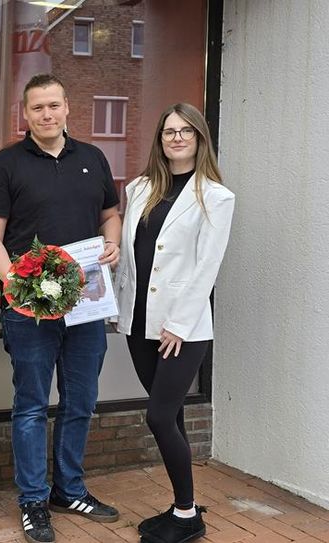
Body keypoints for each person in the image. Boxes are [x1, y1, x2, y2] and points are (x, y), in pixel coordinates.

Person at [0, 73, 121, 543]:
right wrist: (15, 285)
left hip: (85, 304)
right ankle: (34, 501)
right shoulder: (5, 165)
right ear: (25, 113)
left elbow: (109, 214)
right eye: (37, 107)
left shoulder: (93, 158)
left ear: (66, 107)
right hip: (30, 309)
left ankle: (70, 488)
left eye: (53, 105)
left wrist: (114, 243)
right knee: (32, 406)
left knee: (80, 401)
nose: (46, 114)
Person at [115, 103, 234, 543]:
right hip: (138, 322)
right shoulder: (140, 187)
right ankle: (181, 506)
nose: (177, 138)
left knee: (160, 416)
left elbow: (208, 266)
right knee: (174, 417)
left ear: (200, 138)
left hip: (181, 328)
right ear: (159, 139)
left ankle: (187, 515)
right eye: (169, 131)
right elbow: (133, 255)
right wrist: (116, 306)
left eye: (185, 131)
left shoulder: (216, 196)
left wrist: (180, 324)